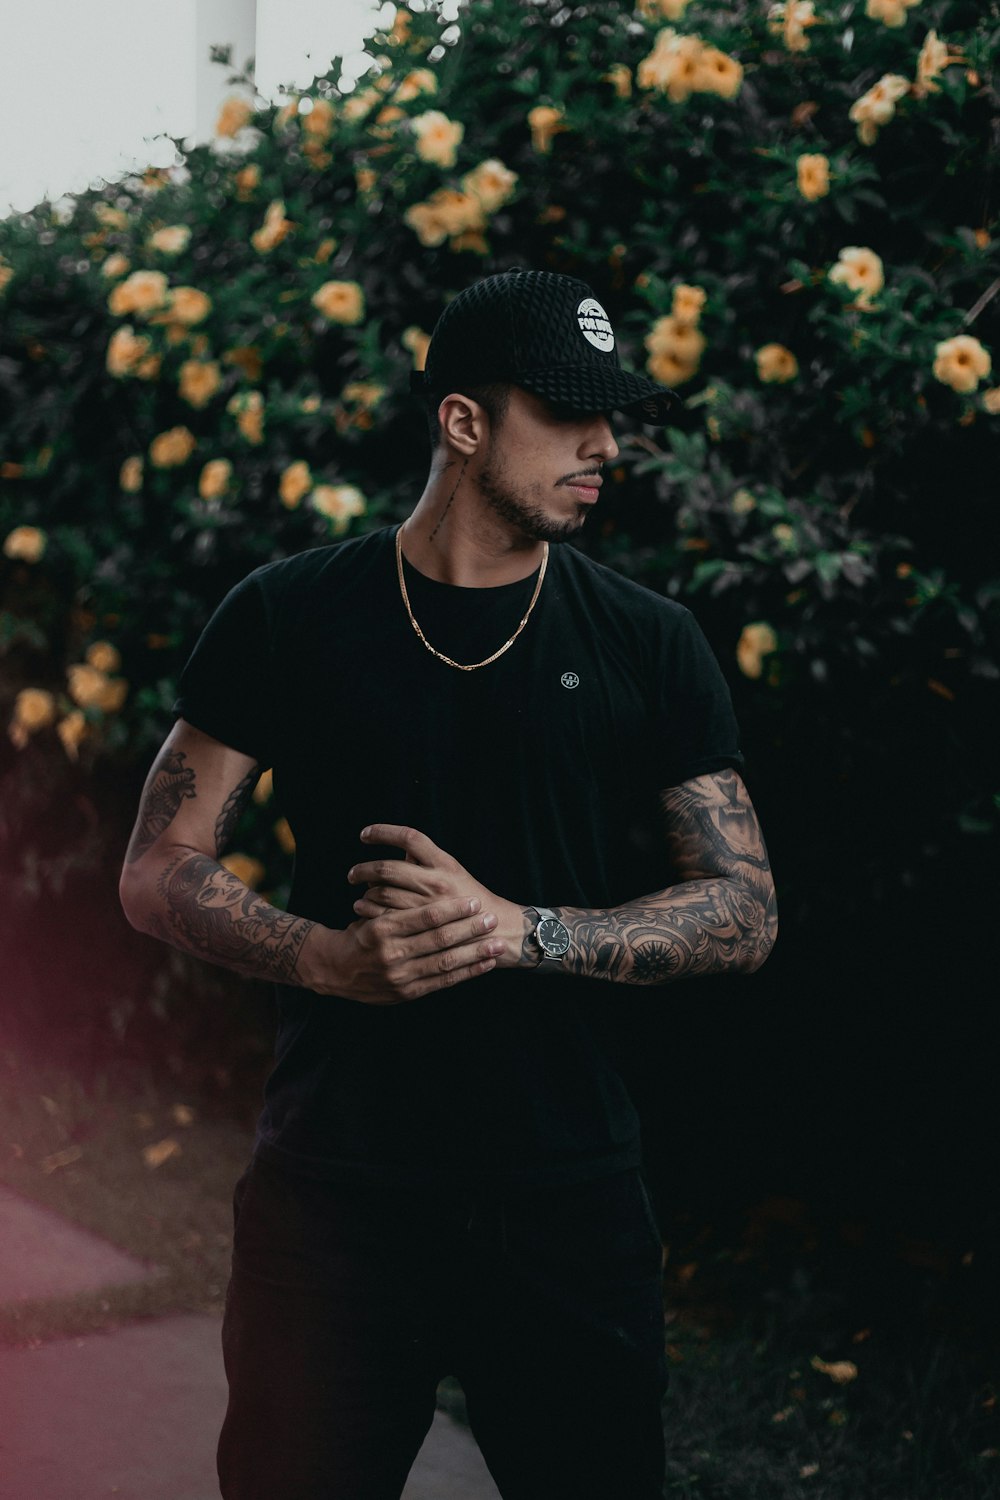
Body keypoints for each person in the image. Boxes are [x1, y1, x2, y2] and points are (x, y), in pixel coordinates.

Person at [120, 268, 777, 1500]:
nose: (604, 446)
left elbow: (744, 908)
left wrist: (517, 930)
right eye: (568, 414)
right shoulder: (288, 617)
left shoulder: (648, 640)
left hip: (568, 1200)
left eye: (612, 415)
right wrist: (329, 960)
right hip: (335, 1198)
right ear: (463, 422)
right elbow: (158, 866)